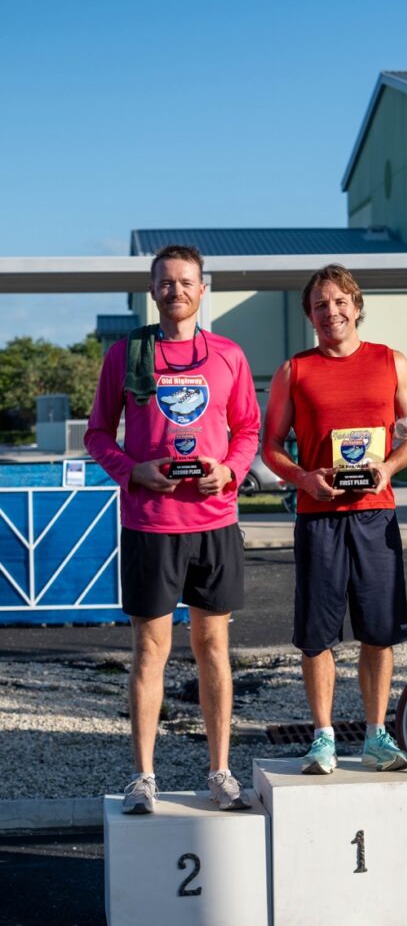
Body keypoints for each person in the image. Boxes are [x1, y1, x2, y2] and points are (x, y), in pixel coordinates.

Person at [85, 244, 260, 814]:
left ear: (202, 289)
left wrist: (230, 472)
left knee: (214, 648)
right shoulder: (128, 353)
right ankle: (142, 777)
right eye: (166, 282)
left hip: (214, 522)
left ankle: (220, 772)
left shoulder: (228, 355)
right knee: (149, 650)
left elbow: (247, 431)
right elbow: (97, 435)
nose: (176, 290)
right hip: (150, 523)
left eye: (186, 282)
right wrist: (131, 471)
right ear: (153, 289)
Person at [262, 263, 407, 775]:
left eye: (338, 302)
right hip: (318, 517)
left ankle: (377, 736)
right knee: (317, 634)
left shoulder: (391, 362)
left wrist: (390, 466)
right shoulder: (294, 370)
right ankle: (324, 737)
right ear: (309, 315)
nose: (330, 312)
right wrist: (304, 478)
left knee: (378, 631)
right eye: (319, 305)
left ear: (356, 304)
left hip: (375, 515)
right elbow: (271, 447)